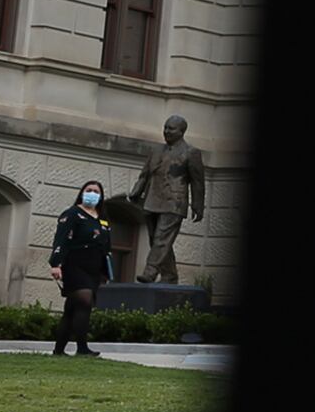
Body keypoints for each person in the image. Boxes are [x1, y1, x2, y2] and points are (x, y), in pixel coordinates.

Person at [131, 113, 207, 284]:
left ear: (181, 131)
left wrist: (198, 205)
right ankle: (170, 275)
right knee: (155, 239)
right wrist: (137, 191)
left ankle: (150, 271)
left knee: (161, 238)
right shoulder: (156, 150)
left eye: (170, 129)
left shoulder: (191, 152)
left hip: (174, 202)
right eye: (165, 127)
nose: (166, 131)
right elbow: (145, 174)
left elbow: (197, 182)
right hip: (152, 199)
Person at [48, 180, 113, 357]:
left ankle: (58, 350)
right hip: (74, 264)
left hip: (94, 267)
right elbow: (61, 240)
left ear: (101, 196)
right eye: (89, 190)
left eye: (96, 191)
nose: (92, 194)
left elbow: (106, 245)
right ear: (82, 192)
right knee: (84, 300)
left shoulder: (102, 218)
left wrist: (105, 271)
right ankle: (82, 348)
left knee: (72, 309)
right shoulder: (72, 214)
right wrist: (56, 264)